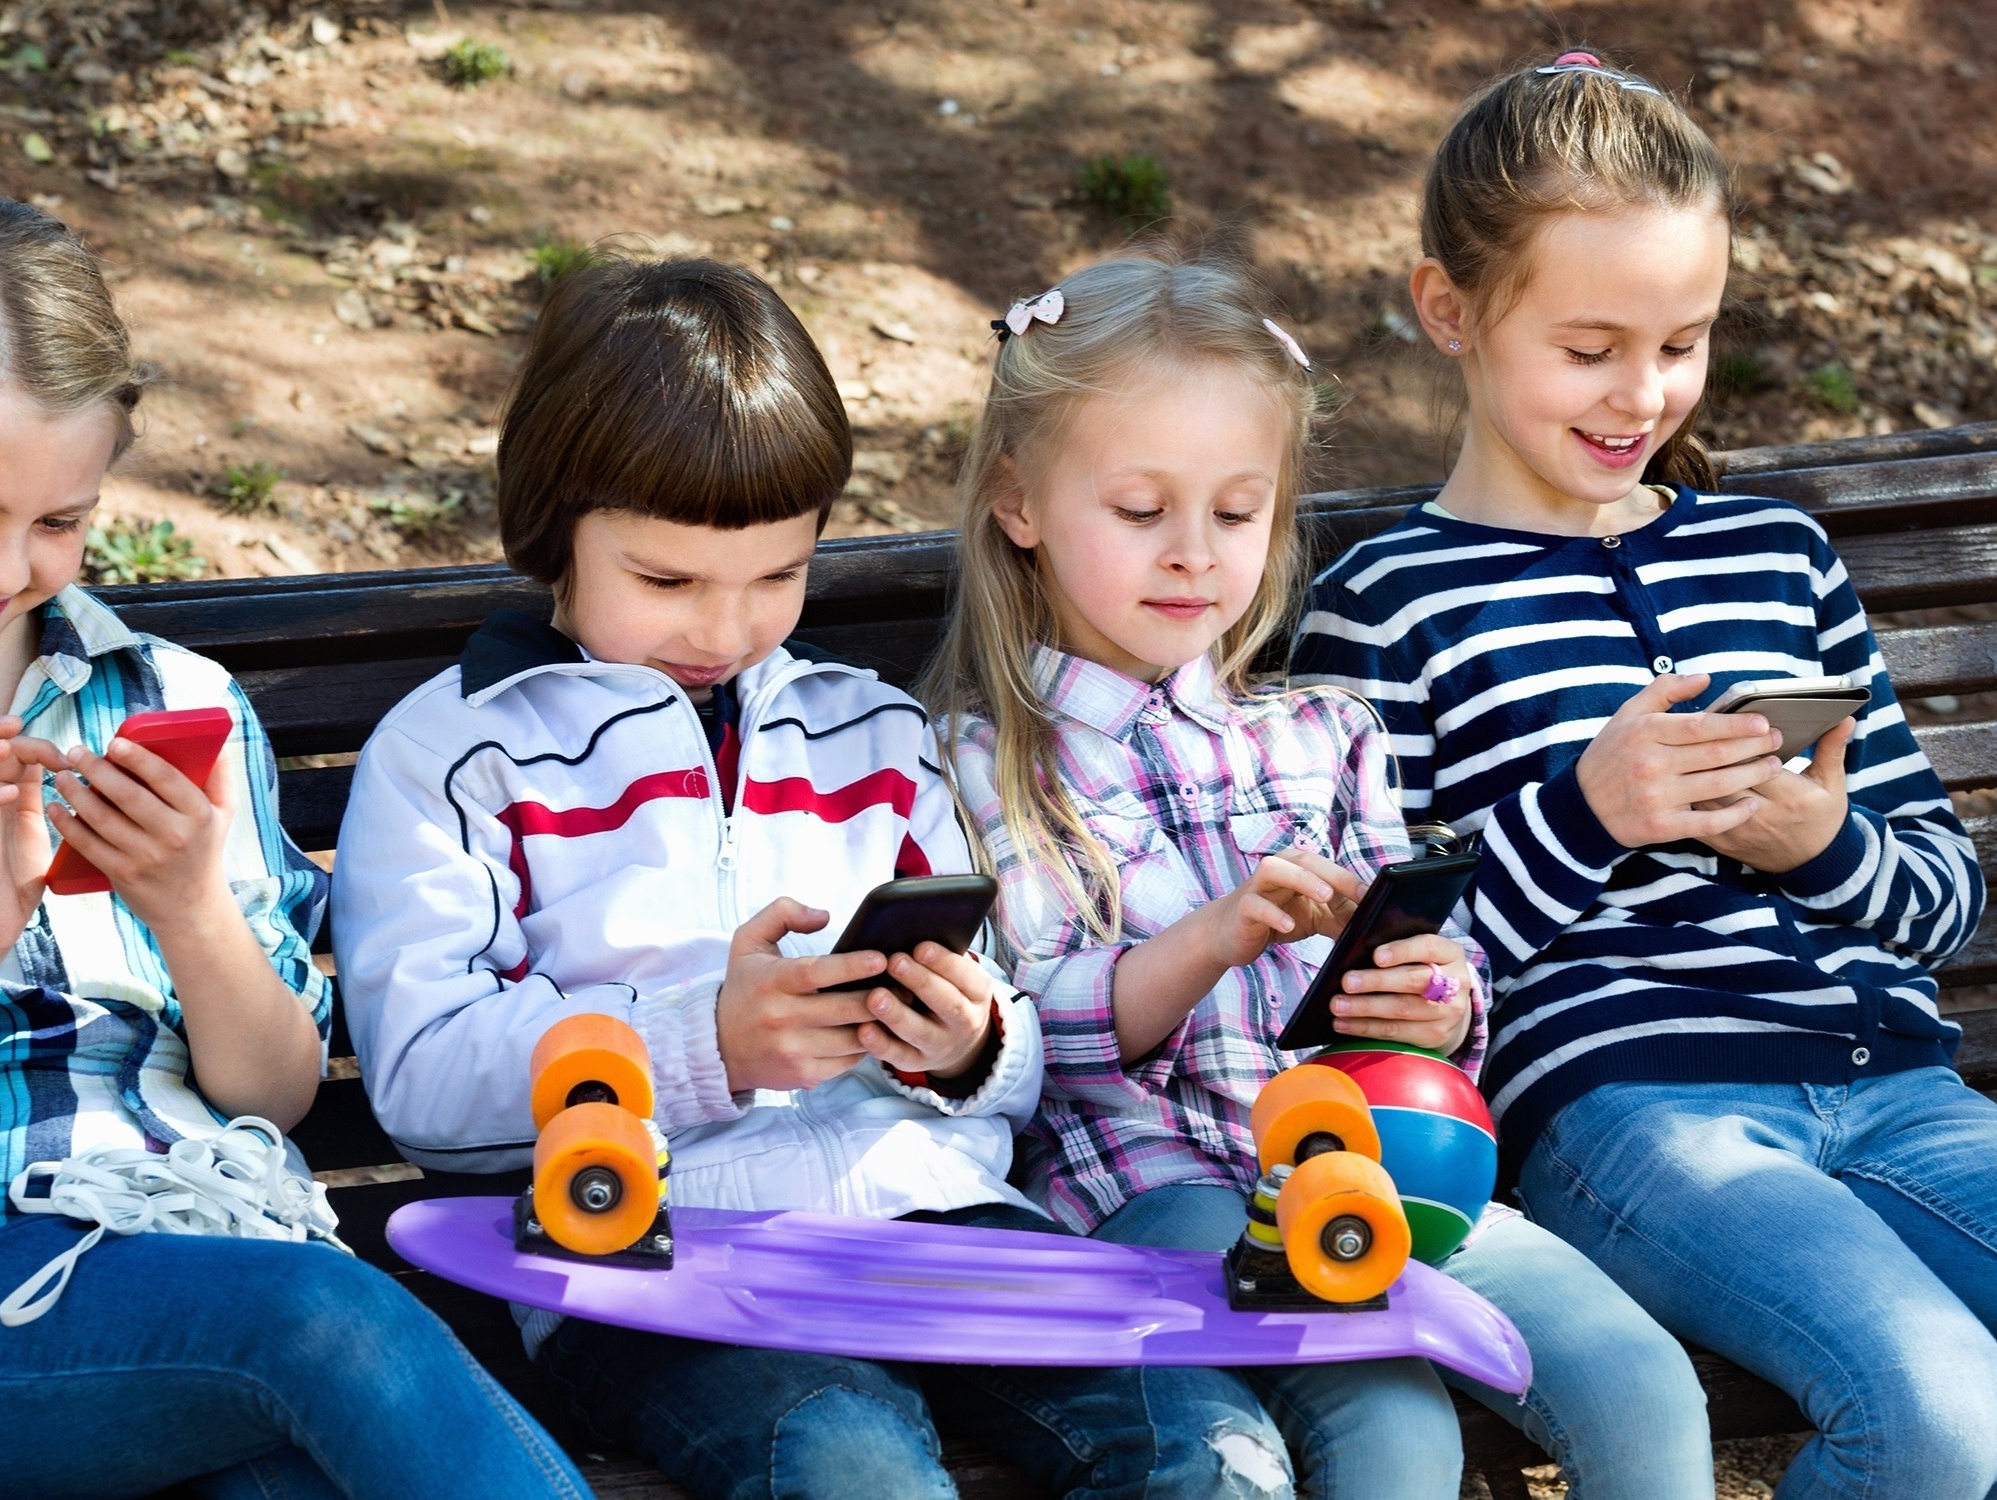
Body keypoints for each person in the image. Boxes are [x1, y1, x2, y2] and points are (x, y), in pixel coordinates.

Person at [333, 254, 1296, 1500]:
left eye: (777, 577)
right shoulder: (456, 749)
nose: (726, 631)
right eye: (667, 582)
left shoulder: (869, 729)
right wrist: (701, 1043)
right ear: (550, 531)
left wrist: (959, 1045)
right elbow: (420, 1082)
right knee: (848, 1466)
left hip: (936, 1218)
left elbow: (1002, 1063)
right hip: (643, 1250)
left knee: (1211, 1450)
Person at [1290, 50, 1997, 1500]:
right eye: (1590, 346)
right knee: (1937, 1417)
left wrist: (1820, 842)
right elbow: (1368, 983)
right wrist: (1584, 813)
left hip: (1897, 1085)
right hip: (1633, 1109)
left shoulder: (1777, 557)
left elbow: (1944, 898)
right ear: (1451, 313)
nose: (1643, 395)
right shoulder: (1387, 606)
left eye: (1682, 344)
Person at [928, 251, 1713, 1499]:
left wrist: (1433, 1003)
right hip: (1160, 1184)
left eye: (1237, 515)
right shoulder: (983, 764)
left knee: (1638, 1384)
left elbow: (1432, 1017)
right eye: (1141, 512)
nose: (1192, 555)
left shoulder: (1324, 733)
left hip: (1375, 1161)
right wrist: (1210, 940)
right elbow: (1019, 1052)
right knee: (1390, 1428)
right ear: (1018, 501)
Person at [0, 200, 588, 1500]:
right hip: (49, 1287)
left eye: (59, 521)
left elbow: (269, 1094)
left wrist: (193, 908)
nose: (14, 568)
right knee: (328, 1322)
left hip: (190, 1234)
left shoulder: (169, 702)